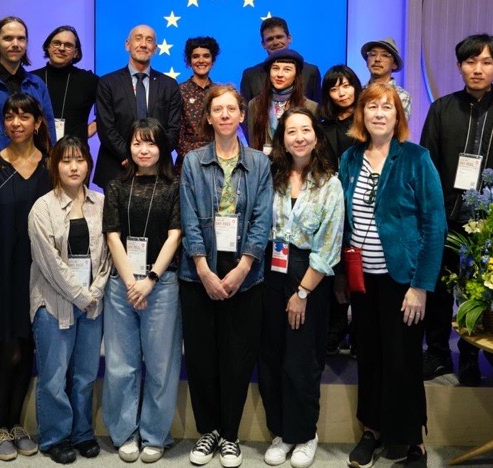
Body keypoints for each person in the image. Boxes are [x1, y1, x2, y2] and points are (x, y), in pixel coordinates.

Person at [419, 34, 493, 387]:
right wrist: (431, 213)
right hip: (446, 216)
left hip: (491, 221)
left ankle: (471, 356)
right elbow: (428, 163)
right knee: (439, 288)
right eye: (471, 62)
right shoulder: (441, 109)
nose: (478, 69)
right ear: (460, 66)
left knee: (481, 291)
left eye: (486, 62)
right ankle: (438, 353)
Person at [339, 83, 446, 468]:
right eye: (372, 107)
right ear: (361, 115)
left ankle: (412, 441)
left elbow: (435, 225)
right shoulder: (350, 158)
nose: (379, 114)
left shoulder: (416, 158)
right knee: (369, 357)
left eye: (387, 107)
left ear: (398, 115)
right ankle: (372, 430)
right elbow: (343, 218)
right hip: (362, 280)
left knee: (403, 360)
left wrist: (421, 286)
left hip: (403, 280)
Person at [179, 85, 273, 468]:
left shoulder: (260, 163)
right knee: (201, 358)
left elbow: (263, 219)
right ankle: (209, 431)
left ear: (241, 115)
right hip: (198, 273)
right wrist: (203, 269)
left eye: (231, 109)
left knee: (237, 358)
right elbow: (188, 217)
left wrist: (244, 267)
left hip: (245, 275)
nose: (224, 115)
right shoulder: (192, 161)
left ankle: (230, 435)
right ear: (208, 117)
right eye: (217, 109)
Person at [0, 93, 52, 461]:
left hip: (39, 274)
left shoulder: (51, 166)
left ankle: (17, 424)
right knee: (7, 351)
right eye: (10, 116)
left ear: (37, 122)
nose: (16, 123)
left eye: (24, 116)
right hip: (0, 273)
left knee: (28, 347)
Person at [258, 108, 343, 468]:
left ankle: (305, 433)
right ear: (282, 138)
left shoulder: (330, 183)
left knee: (301, 361)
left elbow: (330, 246)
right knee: (271, 358)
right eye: (291, 131)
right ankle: (281, 432)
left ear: (316, 136)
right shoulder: (272, 177)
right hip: (270, 273)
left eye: (305, 130)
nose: (299, 137)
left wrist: (303, 293)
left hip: (308, 276)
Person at [101, 119, 183, 463]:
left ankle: (155, 434)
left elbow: (175, 235)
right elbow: (112, 235)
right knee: (121, 364)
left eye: (150, 143)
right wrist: (131, 281)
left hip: (161, 284)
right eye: (137, 143)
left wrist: (149, 278)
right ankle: (124, 432)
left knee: (162, 365)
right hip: (122, 285)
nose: (144, 150)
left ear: (162, 147)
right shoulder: (116, 186)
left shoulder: (174, 186)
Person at [29, 136, 111, 464]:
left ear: (89, 164)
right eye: (66, 160)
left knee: (85, 374)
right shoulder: (42, 208)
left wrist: (95, 292)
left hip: (91, 304)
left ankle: (82, 433)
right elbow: (49, 262)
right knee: (53, 376)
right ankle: (55, 437)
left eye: (80, 160)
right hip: (54, 303)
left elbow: (108, 255)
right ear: (55, 166)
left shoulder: (101, 203)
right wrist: (80, 295)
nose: (74, 167)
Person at [94, 25, 182, 190]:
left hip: (159, 169)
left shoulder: (169, 85)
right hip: (117, 166)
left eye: (149, 40)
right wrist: (129, 155)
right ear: (127, 44)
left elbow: (173, 128)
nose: (143, 44)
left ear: (155, 49)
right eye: (138, 38)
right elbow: (106, 127)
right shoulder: (108, 83)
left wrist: (153, 156)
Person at [0, 16, 57, 156]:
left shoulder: (38, 85)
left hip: (36, 165)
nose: (15, 44)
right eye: (8, 38)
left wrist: (49, 162)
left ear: (26, 43)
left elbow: (49, 134)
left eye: (21, 38)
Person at [318, 65, 362, 356]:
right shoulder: (323, 127)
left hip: (363, 203)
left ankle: (359, 332)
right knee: (335, 267)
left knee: (361, 266)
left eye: (346, 85)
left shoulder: (366, 121)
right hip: (333, 203)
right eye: (334, 88)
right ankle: (335, 328)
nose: (341, 93)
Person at [31, 25, 99, 143]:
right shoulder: (31, 79)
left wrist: (87, 131)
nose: (61, 48)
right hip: (36, 149)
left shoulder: (89, 80)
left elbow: (111, 110)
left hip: (75, 150)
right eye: (56, 43)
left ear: (76, 52)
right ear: (48, 47)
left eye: (68, 45)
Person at [247, 49, 318, 155]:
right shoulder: (255, 104)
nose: (280, 74)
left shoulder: (310, 107)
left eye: (287, 69)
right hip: (264, 163)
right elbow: (253, 144)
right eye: (275, 68)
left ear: (296, 74)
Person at [239, 17, 322, 104]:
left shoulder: (310, 72)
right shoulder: (250, 75)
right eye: (270, 39)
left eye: (279, 37)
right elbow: (245, 111)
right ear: (263, 44)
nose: (275, 42)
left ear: (289, 38)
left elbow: (318, 109)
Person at [177, 36, 221, 169]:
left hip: (218, 159)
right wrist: (194, 158)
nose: (201, 60)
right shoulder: (179, 91)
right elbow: (177, 132)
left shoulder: (219, 92)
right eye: (196, 56)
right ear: (189, 61)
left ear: (212, 60)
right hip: (188, 162)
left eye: (206, 56)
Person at [360, 38, 410, 119]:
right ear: (367, 61)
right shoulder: (358, 92)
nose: (377, 59)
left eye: (385, 55)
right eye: (372, 54)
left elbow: (399, 125)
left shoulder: (401, 96)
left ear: (394, 64)